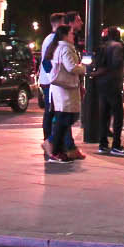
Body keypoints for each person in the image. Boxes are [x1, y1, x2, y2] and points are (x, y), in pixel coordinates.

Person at [39, 16, 86, 164]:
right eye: (71, 33)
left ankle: (61, 148)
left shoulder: (56, 44)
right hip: (62, 86)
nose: (74, 35)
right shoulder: (63, 47)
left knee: (64, 117)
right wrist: (83, 67)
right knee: (62, 117)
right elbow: (70, 67)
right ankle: (53, 146)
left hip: (58, 85)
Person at [92, 25, 124, 156]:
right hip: (113, 83)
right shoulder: (117, 46)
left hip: (101, 83)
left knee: (104, 114)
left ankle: (103, 144)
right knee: (118, 115)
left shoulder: (103, 46)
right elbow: (115, 63)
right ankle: (116, 145)